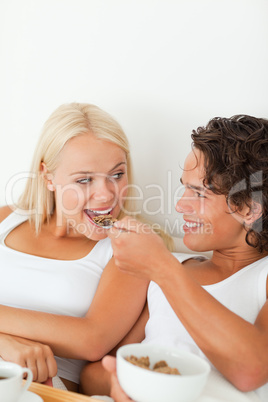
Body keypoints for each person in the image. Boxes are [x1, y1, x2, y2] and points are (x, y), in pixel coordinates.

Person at [80, 115, 268, 402]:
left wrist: (162, 267)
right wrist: (120, 384)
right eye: (184, 187)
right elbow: (94, 375)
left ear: (248, 209)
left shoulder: (259, 277)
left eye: (199, 193)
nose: (180, 204)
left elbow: (251, 370)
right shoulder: (174, 269)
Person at [0, 102, 172, 392]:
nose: (105, 194)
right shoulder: (6, 218)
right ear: (48, 177)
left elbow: (93, 339)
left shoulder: (132, 245)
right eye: (84, 180)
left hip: (33, 389)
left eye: (117, 174)